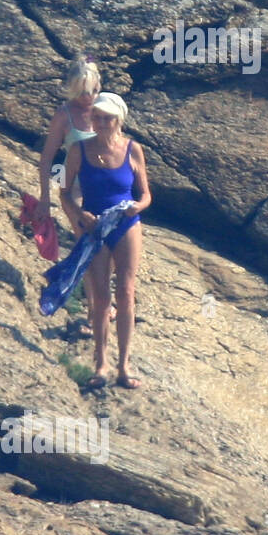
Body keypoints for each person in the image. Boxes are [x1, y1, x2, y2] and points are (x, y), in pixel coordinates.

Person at [60, 92, 151, 389]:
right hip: (95, 226)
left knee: (125, 292)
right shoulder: (78, 149)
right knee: (100, 297)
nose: (101, 123)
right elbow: (64, 192)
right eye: (97, 117)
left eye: (107, 118)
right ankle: (101, 364)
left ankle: (124, 367)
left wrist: (137, 207)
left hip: (126, 224)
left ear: (119, 120)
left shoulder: (132, 149)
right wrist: (79, 214)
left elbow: (146, 194)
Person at [34, 57, 108, 333]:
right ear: (72, 90)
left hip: (102, 184)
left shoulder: (105, 110)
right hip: (71, 184)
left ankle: (101, 305)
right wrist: (45, 198)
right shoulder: (64, 115)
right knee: (87, 246)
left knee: (106, 247)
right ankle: (94, 312)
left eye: (94, 90)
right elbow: (47, 158)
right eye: (82, 91)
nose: (89, 97)